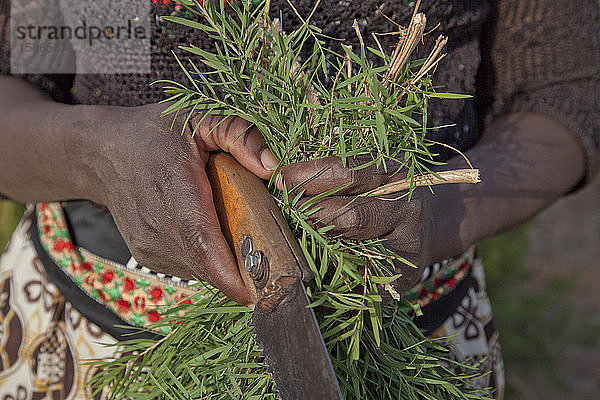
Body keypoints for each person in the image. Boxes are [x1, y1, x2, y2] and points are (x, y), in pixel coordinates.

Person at [0, 0, 598, 399]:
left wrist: (440, 212)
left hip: (407, 339)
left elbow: (563, 90)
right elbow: (22, 79)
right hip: (104, 351)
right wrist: (93, 154)